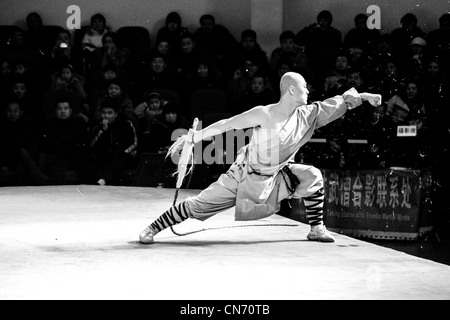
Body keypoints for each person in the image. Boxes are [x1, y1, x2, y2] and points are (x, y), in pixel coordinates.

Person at [138, 71, 381, 244]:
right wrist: (197, 136)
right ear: (292, 90)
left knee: (312, 176)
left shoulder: (306, 115)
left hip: (276, 176)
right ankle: (153, 228)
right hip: (242, 177)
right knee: (198, 205)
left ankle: (316, 229)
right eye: (305, 86)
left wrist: (365, 96)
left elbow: (332, 104)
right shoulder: (264, 114)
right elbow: (228, 124)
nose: (308, 90)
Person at [89, 98, 138, 186]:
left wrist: (120, 152)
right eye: (104, 113)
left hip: (124, 155)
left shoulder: (126, 124)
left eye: (109, 113)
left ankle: (104, 180)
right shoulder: (97, 126)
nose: (106, 116)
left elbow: (133, 143)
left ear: (116, 114)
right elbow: (93, 145)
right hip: (105, 156)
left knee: (116, 157)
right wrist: (104, 130)